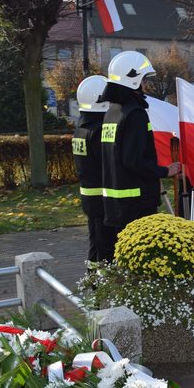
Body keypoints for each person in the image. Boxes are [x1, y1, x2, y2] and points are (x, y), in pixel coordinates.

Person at [99, 51, 181, 248]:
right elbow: (133, 160)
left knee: (125, 253)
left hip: (116, 202)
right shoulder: (135, 114)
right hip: (136, 202)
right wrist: (165, 171)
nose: (147, 85)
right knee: (139, 254)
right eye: (144, 80)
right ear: (133, 80)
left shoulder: (112, 112)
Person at [72, 75, 115, 262]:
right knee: (105, 246)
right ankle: (102, 285)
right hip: (103, 198)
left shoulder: (81, 128)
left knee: (95, 243)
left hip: (89, 196)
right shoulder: (98, 131)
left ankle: (93, 280)